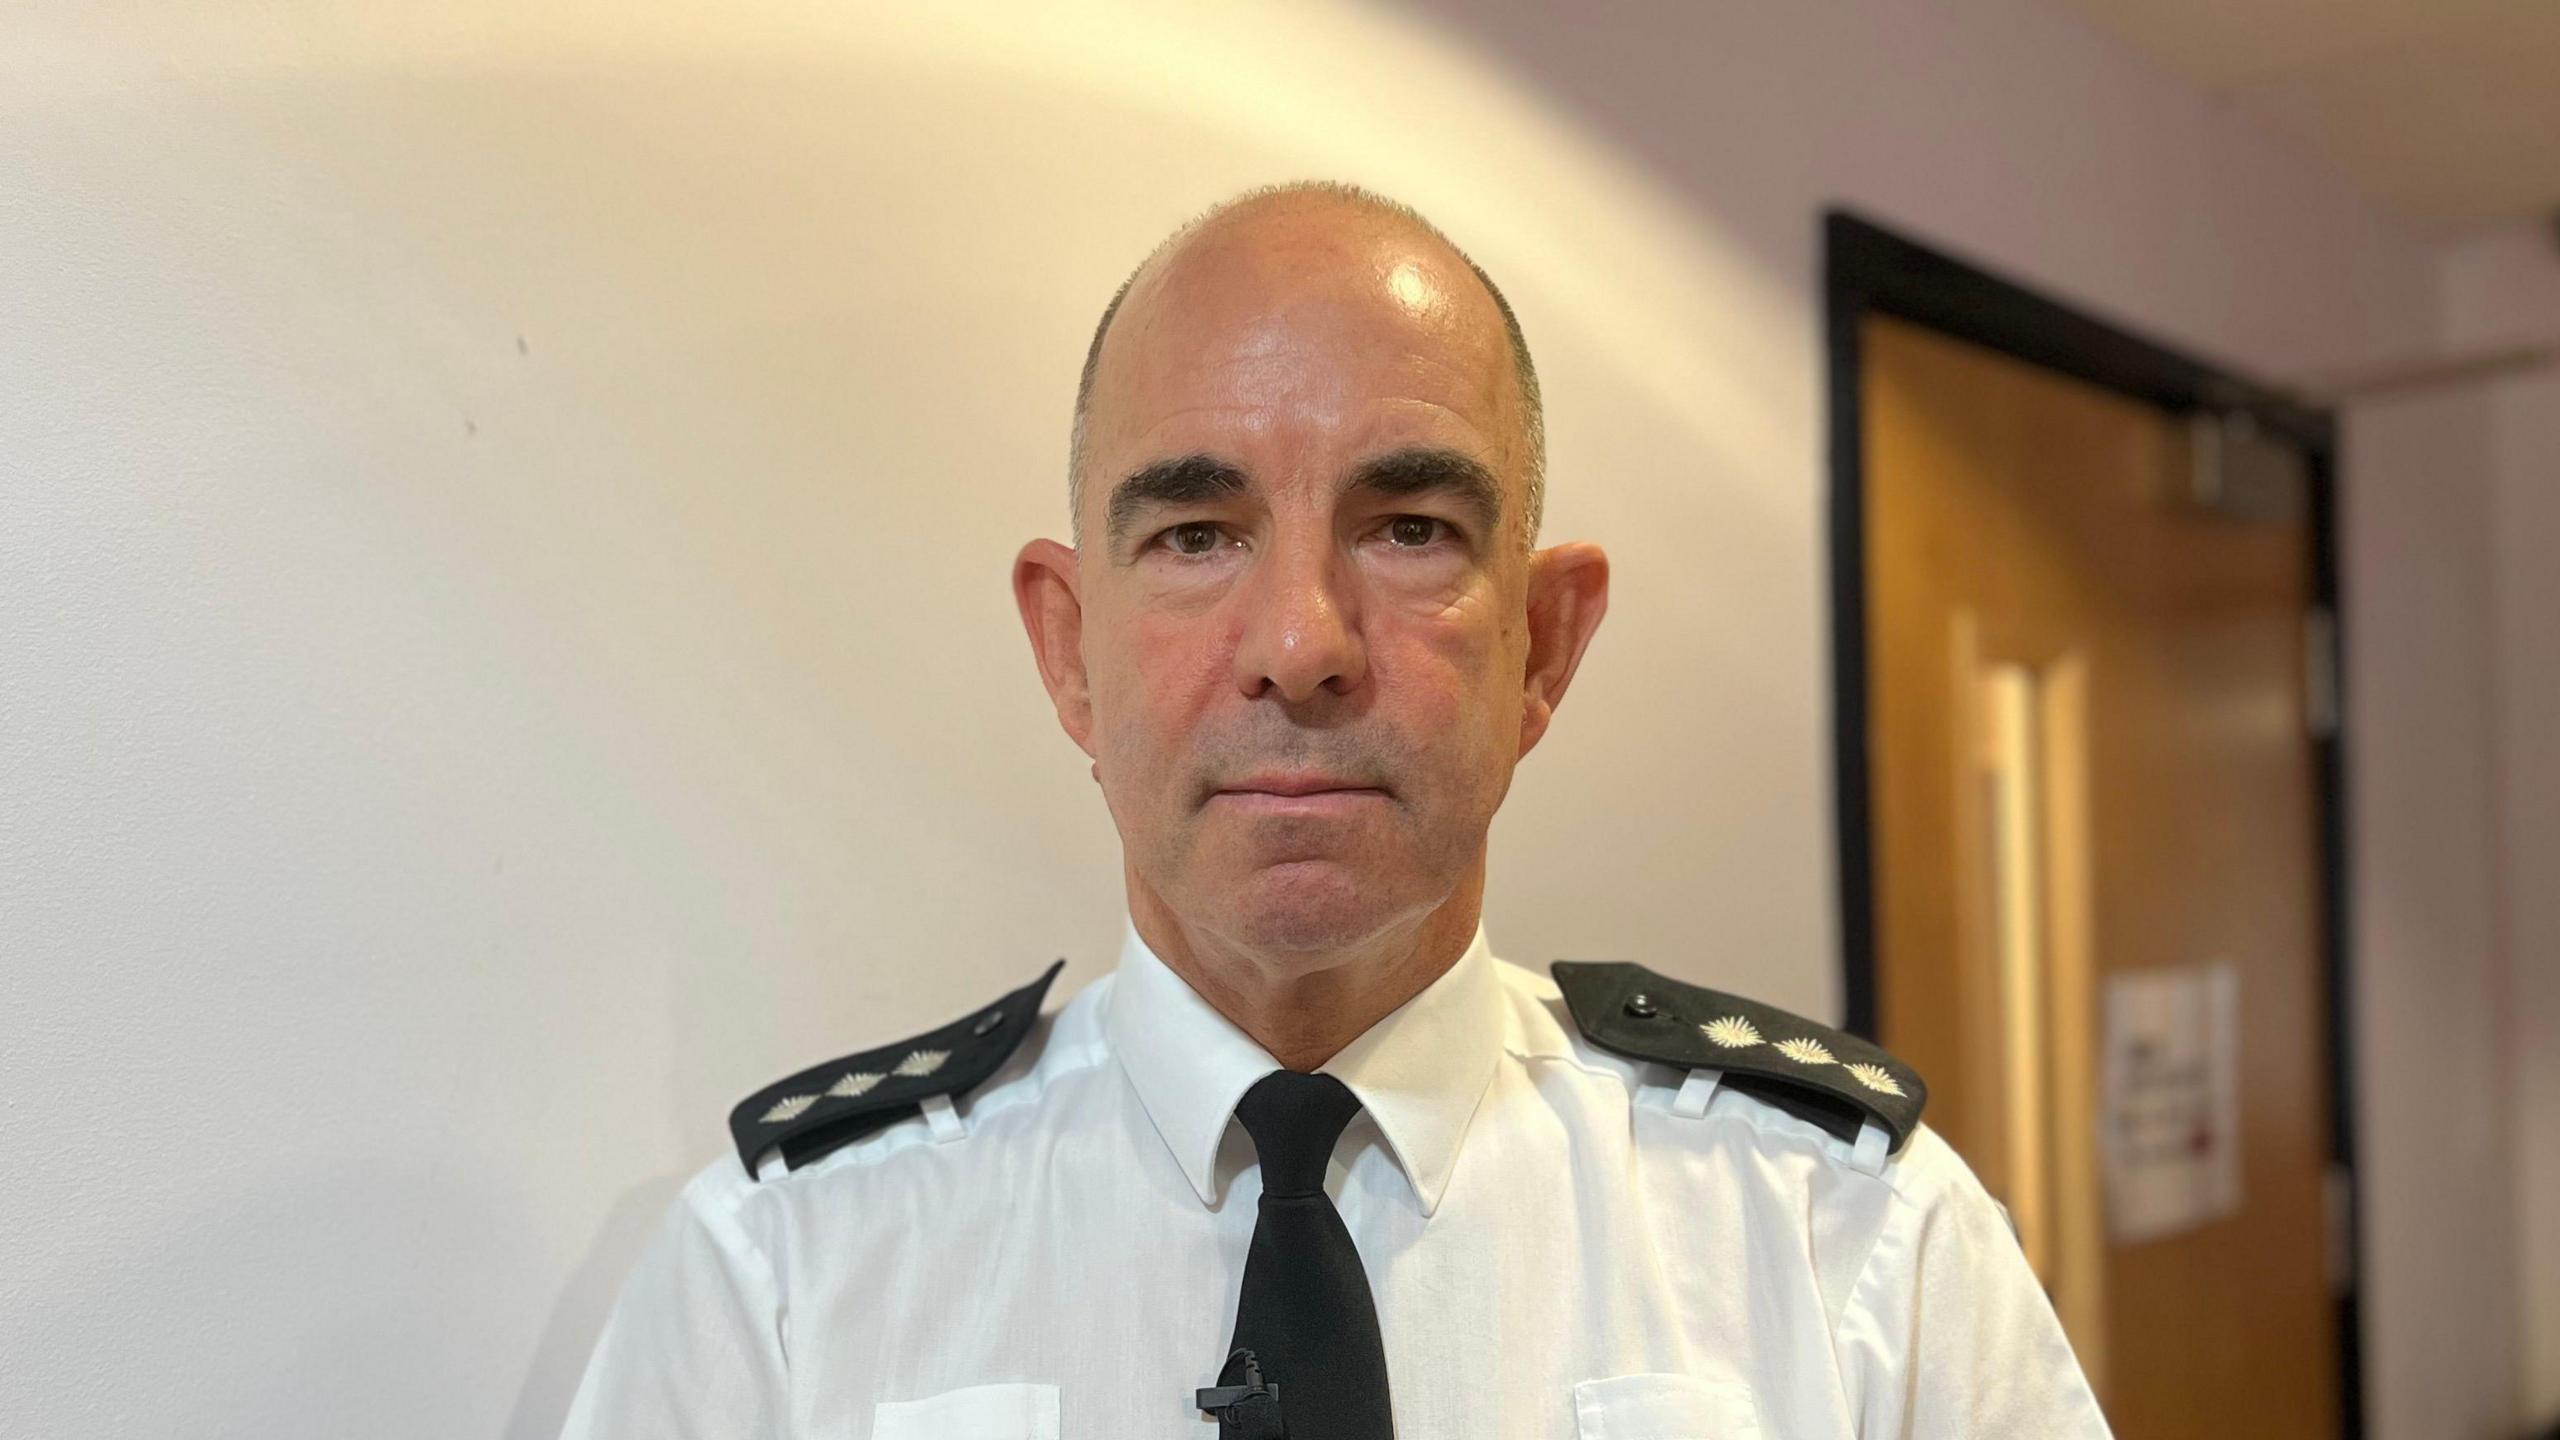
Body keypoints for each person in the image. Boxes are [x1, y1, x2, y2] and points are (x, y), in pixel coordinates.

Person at [558, 181, 2110, 1439]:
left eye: (1411, 526)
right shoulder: (784, 1277)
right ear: (1067, 648)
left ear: (1543, 647)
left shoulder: (1852, 1246)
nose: (1301, 644)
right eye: (1193, 534)